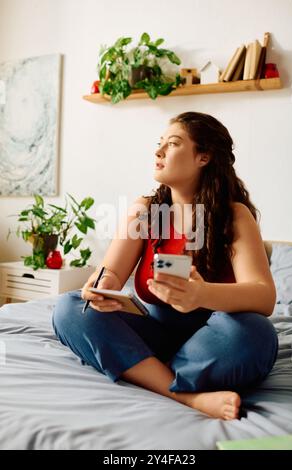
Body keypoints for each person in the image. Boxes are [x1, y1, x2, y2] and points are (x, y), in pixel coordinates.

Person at [52, 112, 278, 421]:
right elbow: (112, 274)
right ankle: (188, 396)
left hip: (214, 342)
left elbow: (263, 296)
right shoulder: (145, 211)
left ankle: (145, 371)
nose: (159, 152)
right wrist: (100, 287)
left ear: (204, 156)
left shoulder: (234, 216)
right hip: (157, 337)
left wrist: (201, 295)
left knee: (256, 333)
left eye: (172, 144)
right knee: (70, 308)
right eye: (159, 144)